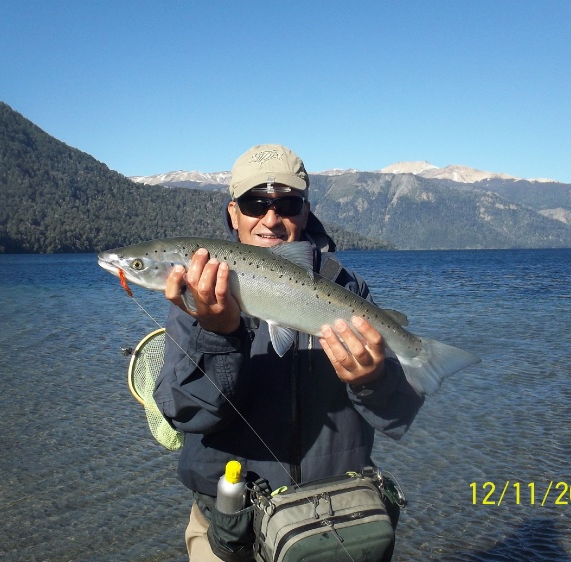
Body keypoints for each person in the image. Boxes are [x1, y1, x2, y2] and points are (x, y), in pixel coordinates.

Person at [153, 144, 425, 561]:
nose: (271, 218)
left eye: (288, 203)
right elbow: (187, 412)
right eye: (255, 203)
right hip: (233, 533)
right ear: (233, 212)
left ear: (305, 210)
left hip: (339, 528)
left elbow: (398, 414)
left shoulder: (346, 291)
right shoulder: (196, 295)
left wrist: (372, 380)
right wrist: (217, 333)